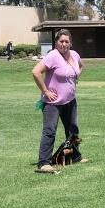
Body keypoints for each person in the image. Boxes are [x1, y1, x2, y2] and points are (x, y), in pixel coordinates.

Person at [32, 29, 87, 173]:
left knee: (73, 130)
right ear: (56, 43)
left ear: (70, 43)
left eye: (66, 41)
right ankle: (44, 162)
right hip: (53, 104)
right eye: (61, 41)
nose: (64, 44)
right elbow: (36, 72)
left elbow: (80, 66)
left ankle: (75, 157)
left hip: (70, 100)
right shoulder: (53, 56)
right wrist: (46, 91)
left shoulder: (74, 55)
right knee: (50, 131)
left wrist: (75, 78)